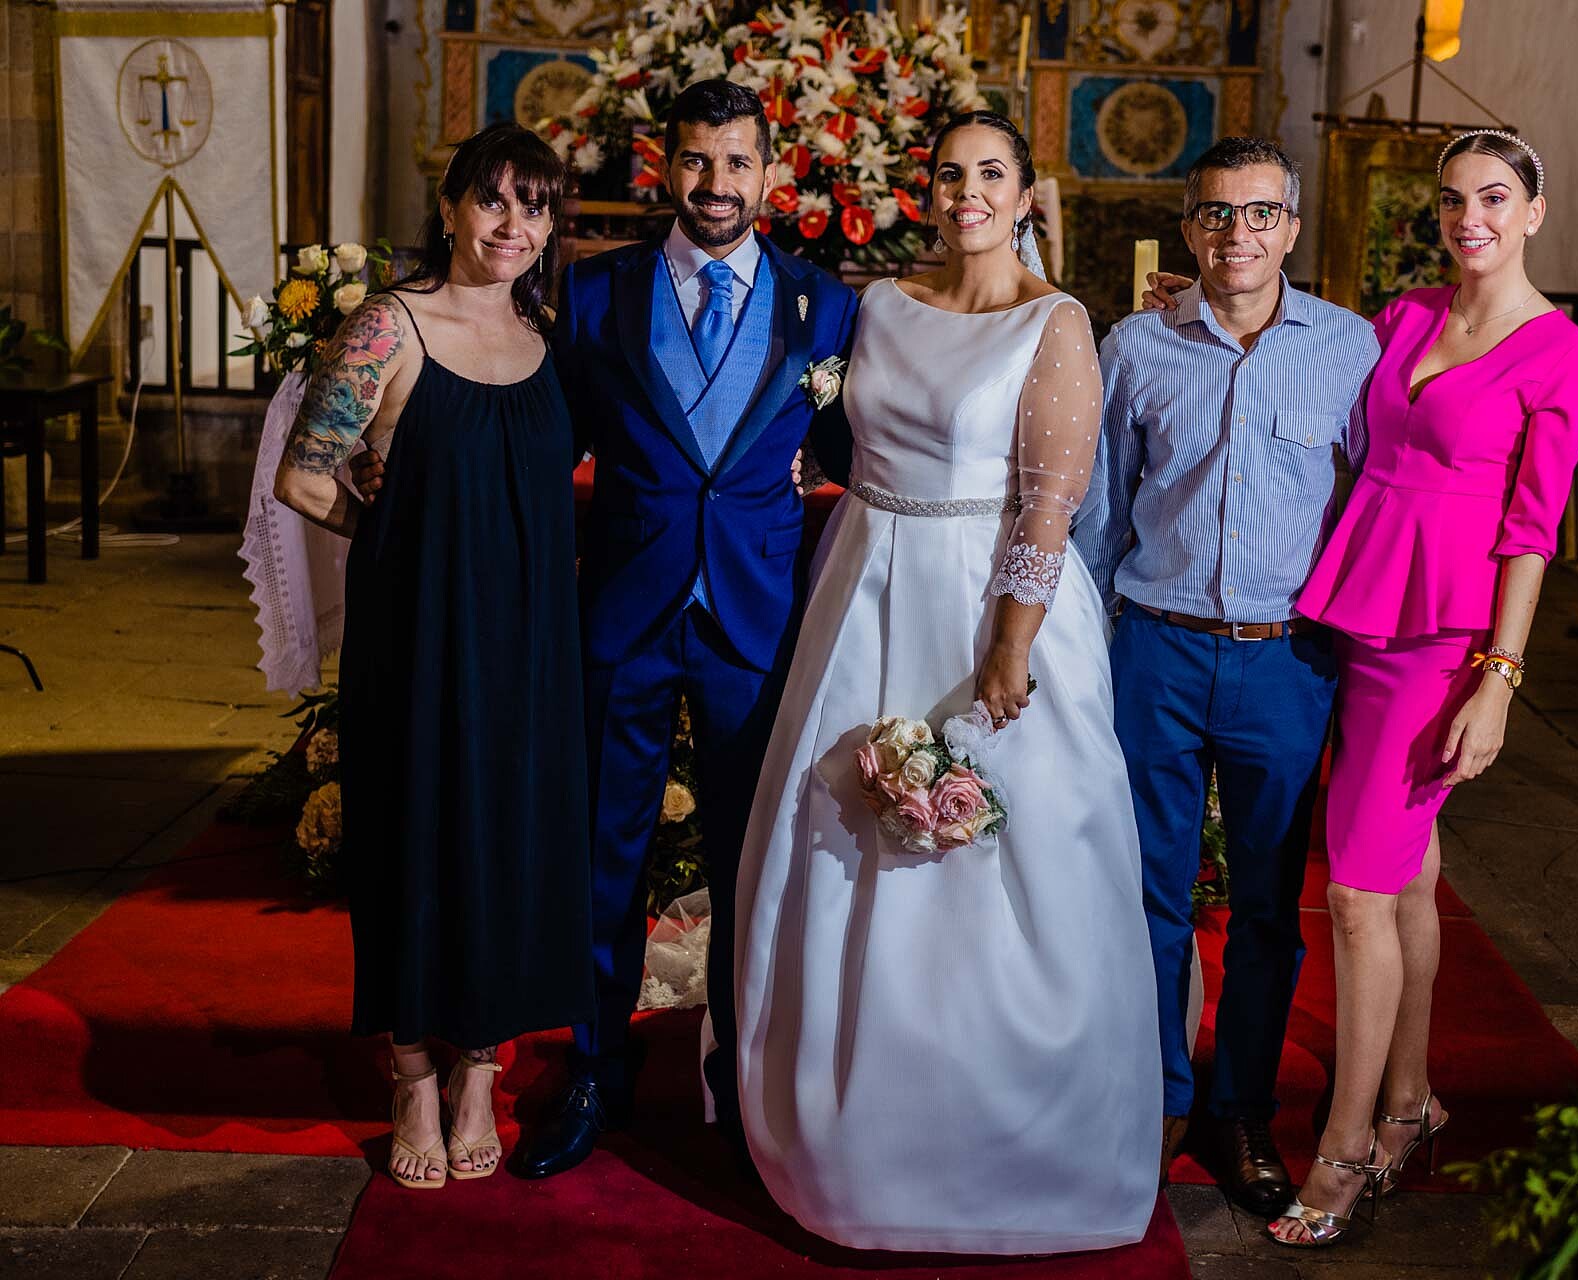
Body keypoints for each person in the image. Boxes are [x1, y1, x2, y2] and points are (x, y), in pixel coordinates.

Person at [732, 111, 1160, 1253]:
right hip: (865, 582)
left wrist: (1011, 642)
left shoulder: (1055, 319)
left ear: (1026, 192)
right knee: (844, 846)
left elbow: (1049, 501)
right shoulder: (877, 305)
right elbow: (822, 433)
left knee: (1005, 864)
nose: (967, 191)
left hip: (987, 603)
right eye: (950, 174)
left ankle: (1025, 1146)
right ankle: (850, 1143)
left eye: (991, 174)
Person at [512, 78, 858, 1180]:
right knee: (603, 856)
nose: (716, 184)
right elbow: (536, 438)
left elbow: (861, 444)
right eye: (697, 161)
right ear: (665, 165)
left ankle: (746, 1076)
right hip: (622, 610)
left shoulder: (826, 305)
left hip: (755, 619)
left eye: (737, 163)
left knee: (755, 862)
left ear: (771, 172)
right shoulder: (595, 290)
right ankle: (597, 1070)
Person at [1266, 130, 1578, 1247]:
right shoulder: (1406, 316)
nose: (1472, 218)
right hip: (1352, 602)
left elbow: (1532, 529)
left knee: (1359, 893)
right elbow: (1328, 394)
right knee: (1406, 875)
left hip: (1440, 636)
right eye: (1455, 198)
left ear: (1536, 209)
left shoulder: (1562, 353)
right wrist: (1228, 299)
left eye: (1496, 198)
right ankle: (1411, 1098)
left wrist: (1499, 678)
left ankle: (1348, 1142)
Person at [274, 123, 593, 1190]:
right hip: (420, 635)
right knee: (416, 841)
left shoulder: (549, 336)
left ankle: (480, 1064)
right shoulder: (390, 326)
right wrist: (409, 546)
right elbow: (306, 477)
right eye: (493, 201)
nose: (514, 225)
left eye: (535, 206)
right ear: (452, 208)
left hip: (533, 644)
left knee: (509, 841)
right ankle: (411, 1063)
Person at [1075, 137, 1380, 1219]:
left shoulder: (1349, 348)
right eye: (1215, 215)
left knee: (1265, 903)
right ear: (1189, 225)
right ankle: (1154, 1096)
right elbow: (1103, 507)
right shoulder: (1137, 345)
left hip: (1284, 658)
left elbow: (1368, 496)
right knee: (1148, 894)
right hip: (1154, 646)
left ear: (1292, 226)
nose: (1236, 235)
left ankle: (1240, 1104)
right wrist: (1092, 638)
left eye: (1259, 214)